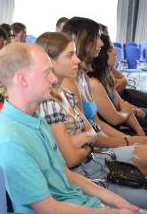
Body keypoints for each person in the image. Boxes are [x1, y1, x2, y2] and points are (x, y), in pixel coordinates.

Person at [0, 42, 140, 214]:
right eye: (46, 73)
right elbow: (47, 208)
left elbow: (65, 173)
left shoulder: (35, 119)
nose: (53, 78)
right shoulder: (10, 140)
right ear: (22, 79)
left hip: (81, 203)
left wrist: (117, 201)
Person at [36, 32, 147, 208]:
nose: (77, 60)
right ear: (50, 61)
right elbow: (70, 159)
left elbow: (91, 133)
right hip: (85, 171)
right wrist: (87, 142)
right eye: (69, 55)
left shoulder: (65, 93)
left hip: (92, 161)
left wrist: (83, 141)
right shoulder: (48, 101)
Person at [61, 17, 147, 147]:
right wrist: (128, 141)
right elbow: (89, 134)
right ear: (85, 41)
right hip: (94, 145)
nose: (101, 43)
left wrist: (130, 139)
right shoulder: (70, 82)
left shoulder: (83, 77)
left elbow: (98, 125)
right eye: (97, 38)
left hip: (101, 139)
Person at [88, 33, 146, 135]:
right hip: (114, 131)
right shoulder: (94, 82)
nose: (116, 52)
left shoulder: (104, 75)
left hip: (122, 120)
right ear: (101, 55)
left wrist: (140, 132)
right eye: (110, 50)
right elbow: (115, 118)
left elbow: (122, 104)